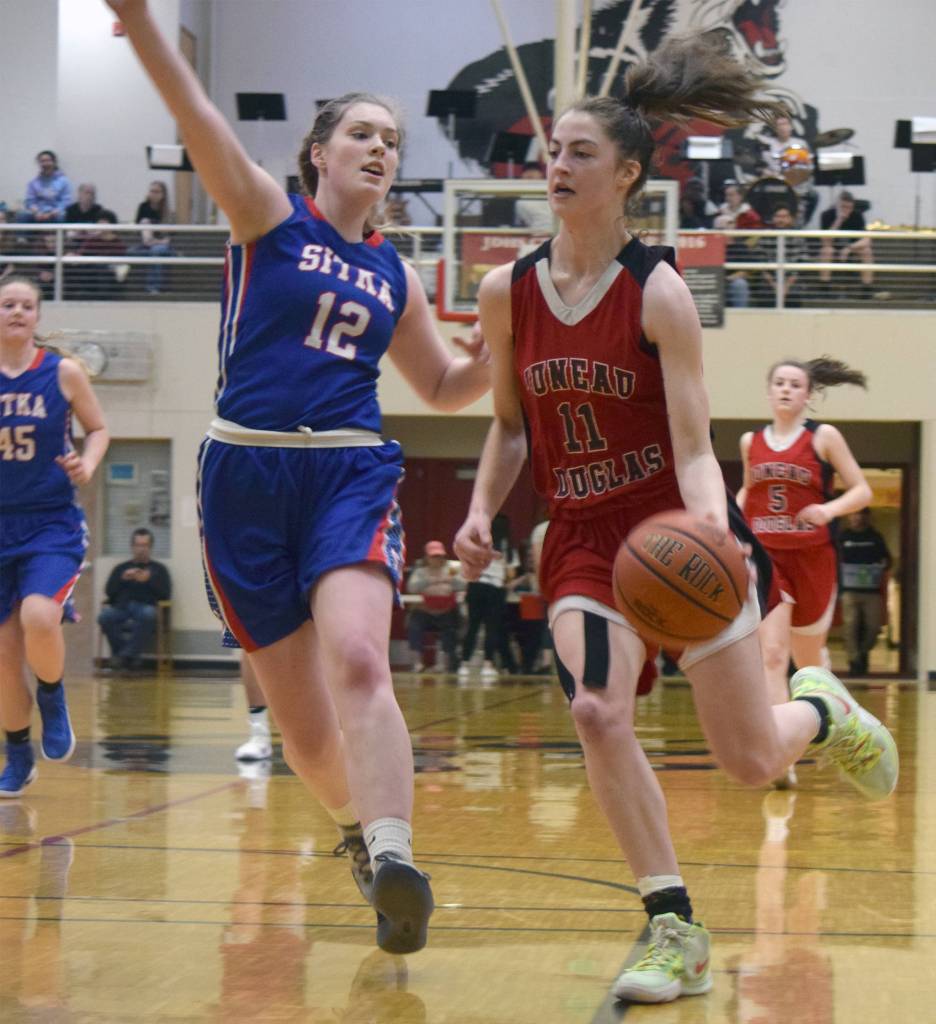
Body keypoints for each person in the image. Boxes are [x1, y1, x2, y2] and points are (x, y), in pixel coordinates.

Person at [453, 36, 898, 1005]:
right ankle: (673, 924)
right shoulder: (506, 292)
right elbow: (510, 426)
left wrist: (712, 531)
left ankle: (823, 709)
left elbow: (697, 448)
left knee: (750, 760)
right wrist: (483, 508)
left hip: (672, 530)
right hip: (580, 539)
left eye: (579, 153)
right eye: (553, 150)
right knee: (595, 710)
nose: (557, 165)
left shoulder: (659, 292)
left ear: (625, 175)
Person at [105, 0, 490, 956]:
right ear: (319, 152)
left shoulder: (395, 273)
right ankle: (359, 836)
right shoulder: (267, 219)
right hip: (243, 473)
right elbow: (195, 113)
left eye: (392, 140)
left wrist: (498, 355)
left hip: (347, 469)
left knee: (359, 655)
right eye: (362, 132)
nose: (380, 148)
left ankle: (397, 851)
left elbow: (442, 387)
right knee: (303, 732)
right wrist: (142, 22)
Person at [737, 358, 874, 786]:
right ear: (768, 391)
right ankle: (781, 758)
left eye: (795, 384)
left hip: (813, 559)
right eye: (779, 382)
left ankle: (844, 724)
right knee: (773, 656)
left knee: (809, 667)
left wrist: (828, 510)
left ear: (808, 395)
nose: (785, 389)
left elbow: (862, 490)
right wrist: (728, 527)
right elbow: (748, 491)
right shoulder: (751, 441)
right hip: (769, 560)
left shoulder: (823, 437)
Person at [0, 275, 109, 796]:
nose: (17, 312)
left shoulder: (62, 372)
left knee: (40, 616)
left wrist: (87, 462)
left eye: (26, 305)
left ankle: (52, 691)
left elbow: (99, 429)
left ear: (37, 317)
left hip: (50, 522)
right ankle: (18, 753)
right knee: (4, 657)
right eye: (8, 304)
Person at [98, 527, 171, 670]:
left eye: (145, 545)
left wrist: (149, 580)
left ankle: (123, 656)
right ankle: (129, 656)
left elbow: (166, 594)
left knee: (148, 614)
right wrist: (122, 578)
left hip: (145, 607)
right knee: (105, 616)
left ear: (150, 547)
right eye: (138, 545)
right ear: (132, 547)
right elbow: (109, 592)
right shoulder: (121, 568)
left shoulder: (159, 569)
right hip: (122, 607)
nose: (141, 549)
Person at [457, 512, 517, 682]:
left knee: (472, 625)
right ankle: (488, 665)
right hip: (495, 588)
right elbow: (511, 574)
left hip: (476, 585)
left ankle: (464, 664)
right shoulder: (508, 548)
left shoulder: (479, 543)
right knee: (492, 627)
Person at [838, 507, 892, 676]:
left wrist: (883, 565)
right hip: (849, 590)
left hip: (871, 590)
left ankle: (862, 652)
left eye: (861, 515)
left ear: (867, 517)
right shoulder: (843, 537)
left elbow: (887, 560)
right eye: (854, 514)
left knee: (874, 628)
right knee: (850, 626)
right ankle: (854, 660)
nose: (858, 518)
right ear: (849, 516)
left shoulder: (875, 537)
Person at [405, 540, 465, 673]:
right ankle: (417, 662)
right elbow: (411, 588)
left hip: (446, 611)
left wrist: (451, 580)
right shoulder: (420, 572)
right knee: (414, 625)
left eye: (439, 556)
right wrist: (430, 581)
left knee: (450, 626)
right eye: (433, 556)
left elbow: (463, 585)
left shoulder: (451, 570)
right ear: (427, 557)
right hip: (424, 611)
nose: (437, 559)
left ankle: (443, 663)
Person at [818, 191, 874, 292]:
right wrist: (838, 220)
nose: (846, 210)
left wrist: (849, 248)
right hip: (833, 247)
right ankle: (824, 286)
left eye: (849, 207)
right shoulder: (826, 215)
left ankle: (867, 287)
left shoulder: (857, 216)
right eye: (843, 207)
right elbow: (825, 241)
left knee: (867, 251)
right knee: (826, 251)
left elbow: (867, 239)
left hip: (852, 248)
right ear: (837, 205)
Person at [128, 180, 175, 294]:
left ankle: (153, 287)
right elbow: (141, 231)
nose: (153, 194)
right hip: (145, 244)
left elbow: (167, 239)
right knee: (130, 252)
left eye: (156, 191)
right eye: (151, 191)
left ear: (163, 194)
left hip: (162, 246)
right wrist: (151, 240)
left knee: (157, 251)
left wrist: (155, 241)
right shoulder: (143, 207)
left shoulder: (168, 213)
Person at [15, 151, 73, 224]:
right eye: (42, 161)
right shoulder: (34, 182)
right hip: (38, 213)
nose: (45, 164)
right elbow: (30, 201)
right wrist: (37, 213)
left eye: (48, 160)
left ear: (54, 162)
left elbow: (66, 201)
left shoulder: (63, 181)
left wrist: (51, 214)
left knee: (62, 217)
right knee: (21, 216)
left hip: (55, 214)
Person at [514, 163, 553, 234]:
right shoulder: (520, 201)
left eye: (534, 170)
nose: (530, 173)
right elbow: (521, 224)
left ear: (541, 175)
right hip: (536, 234)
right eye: (526, 171)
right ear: (522, 176)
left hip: (557, 232)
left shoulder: (552, 192)